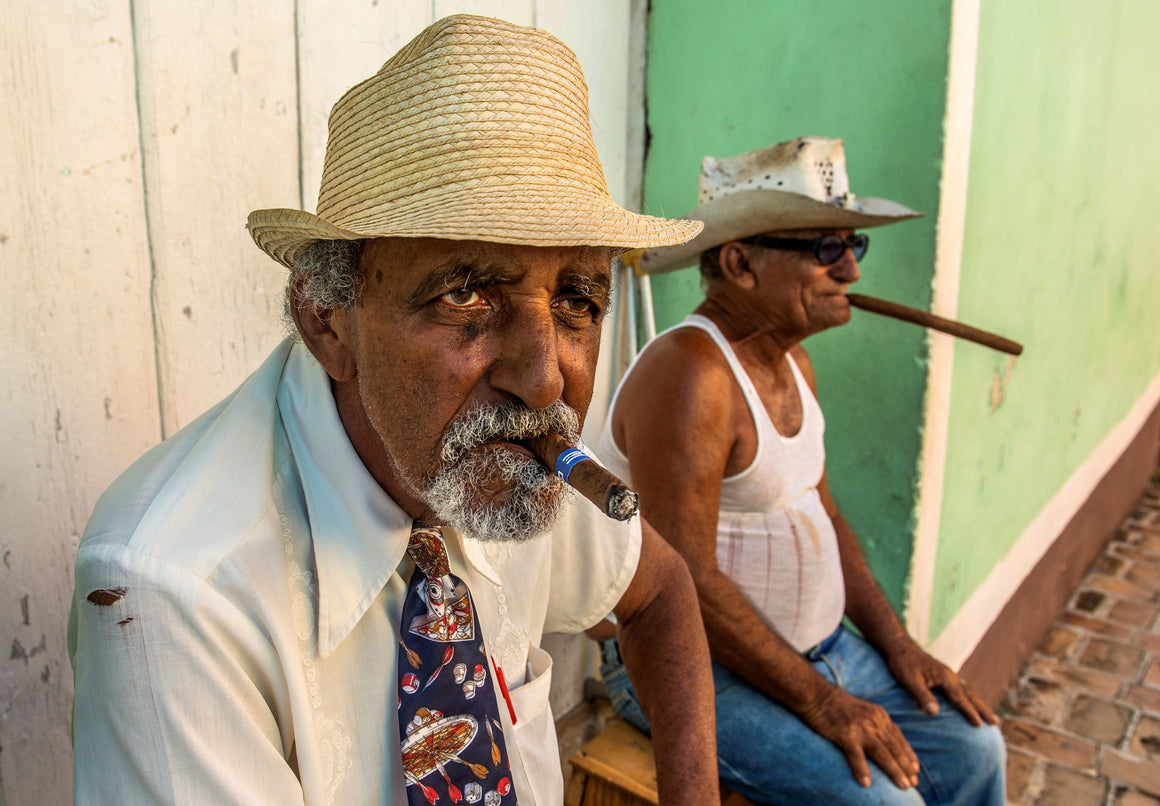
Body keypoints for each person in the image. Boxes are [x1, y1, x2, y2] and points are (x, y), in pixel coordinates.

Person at [67, 15, 718, 806]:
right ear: (328, 319)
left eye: (577, 298)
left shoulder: (513, 458)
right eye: (467, 292)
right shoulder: (175, 590)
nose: (546, 381)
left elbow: (659, 594)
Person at [595, 137, 1006, 805]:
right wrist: (822, 701)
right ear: (739, 264)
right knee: (885, 803)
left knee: (976, 746)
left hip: (823, 652)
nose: (851, 271)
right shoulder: (692, 375)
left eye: (854, 246)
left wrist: (896, 645)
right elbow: (684, 580)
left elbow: (826, 514)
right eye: (825, 249)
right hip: (694, 668)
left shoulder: (792, 362)